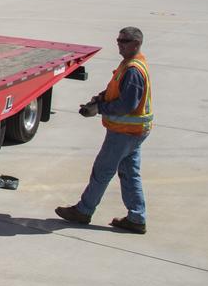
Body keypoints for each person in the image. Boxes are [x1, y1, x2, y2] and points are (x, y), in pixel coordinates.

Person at [56, 26, 153, 234]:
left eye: (124, 41)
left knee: (102, 171)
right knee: (129, 173)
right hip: (133, 132)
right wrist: (99, 99)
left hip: (125, 132)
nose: (119, 43)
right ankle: (136, 217)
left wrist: (99, 108)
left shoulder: (134, 70)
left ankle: (84, 210)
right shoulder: (129, 64)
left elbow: (127, 105)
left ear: (136, 44)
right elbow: (116, 91)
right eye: (118, 39)